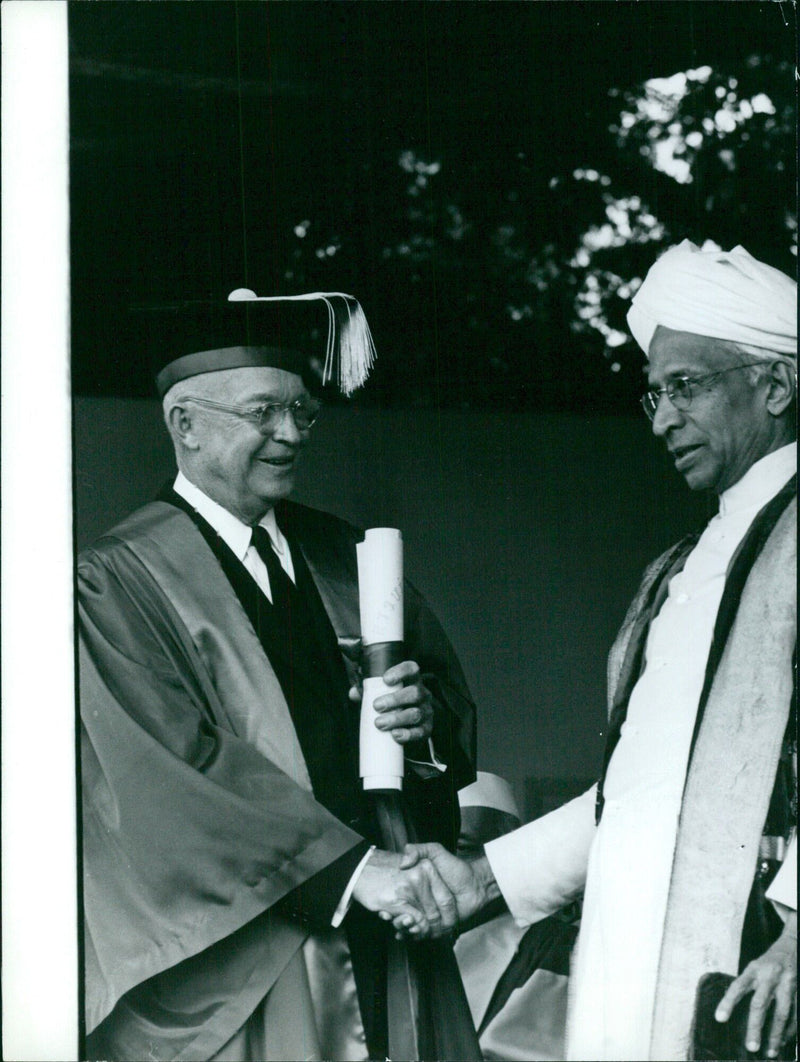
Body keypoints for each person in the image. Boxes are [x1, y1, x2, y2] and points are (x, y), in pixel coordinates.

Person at [398, 242, 797, 1061]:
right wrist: (484, 880)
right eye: (653, 394)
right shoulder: (680, 571)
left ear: (777, 385)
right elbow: (637, 802)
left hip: (761, 970)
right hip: (631, 979)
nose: (660, 419)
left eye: (686, 387)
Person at [77, 290, 477, 1061]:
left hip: (386, 921)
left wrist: (420, 728)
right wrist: (351, 874)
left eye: (303, 413)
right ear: (183, 425)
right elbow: (161, 769)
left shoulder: (344, 556)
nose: (291, 435)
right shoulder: (118, 579)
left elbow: (442, 714)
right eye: (263, 413)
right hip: (252, 955)